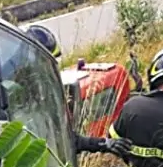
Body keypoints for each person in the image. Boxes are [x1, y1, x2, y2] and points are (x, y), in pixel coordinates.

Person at [22, 24, 131, 156]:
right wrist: (103, 144)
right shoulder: (25, 99)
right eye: (48, 62)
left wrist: (103, 144)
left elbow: (68, 139)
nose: (52, 68)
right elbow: (67, 140)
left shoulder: (37, 90)